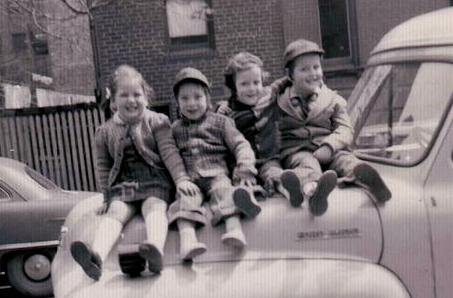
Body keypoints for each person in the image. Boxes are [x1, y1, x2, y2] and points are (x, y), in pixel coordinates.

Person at [70, 65, 199, 279]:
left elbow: (170, 153)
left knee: (154, 207)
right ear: (113, 102)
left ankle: (155, 248)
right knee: (115, 212)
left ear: (146, 99)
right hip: (124, 186)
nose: (132, 100)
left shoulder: (156, 122)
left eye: (137, 95)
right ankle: (96, 256)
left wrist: (181, 180)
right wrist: (106, 197)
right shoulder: (104, 132)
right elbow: (103, 166)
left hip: (155, 182)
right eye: (124, 95)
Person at [277, 39, 392, 216]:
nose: (313, 73)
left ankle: (367, 179)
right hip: (297, 151)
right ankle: (314, 193)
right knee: (307, 165)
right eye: (304, 69)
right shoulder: (279, 102)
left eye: (316, 67)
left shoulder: (332, 99)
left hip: (329, 149)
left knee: (344, 159)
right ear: (290, 75)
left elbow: (345, 129)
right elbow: (270, 129)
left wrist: (330, 146)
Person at [168, 67, 260, 252]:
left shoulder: (221, 122)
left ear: (207, 98)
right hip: (190, 181)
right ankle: (188, 242)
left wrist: (245, 166)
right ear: (177, 102)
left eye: (197, 97)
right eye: (184, 98)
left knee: (224, 193)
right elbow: (170, 156)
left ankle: (234, 230)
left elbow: (240, 145)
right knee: (184, 202)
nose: (191, 103)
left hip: (217, 175)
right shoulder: (175, 129)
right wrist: (181, 180)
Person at [216, 51, 292, 201]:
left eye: (256, 82)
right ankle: (247, 199)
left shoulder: (267, 96)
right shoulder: (228, 111)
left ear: (262, 81)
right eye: (244, 84)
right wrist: (220, 108)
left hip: (268, 158)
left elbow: (284, 81)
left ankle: (289, 191)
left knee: (274, 173)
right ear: (234, 86)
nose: (251, 88)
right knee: (242, 181)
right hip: (242, 164)